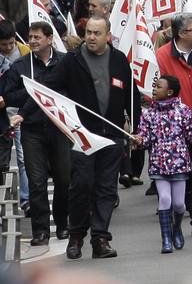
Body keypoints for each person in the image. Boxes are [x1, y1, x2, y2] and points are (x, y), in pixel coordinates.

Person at [49, 16, 133, 260]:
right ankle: (76, 235)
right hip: (83, 136)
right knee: (82, 185)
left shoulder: (119, 59)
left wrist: (136, 128)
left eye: (97, 33)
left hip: (112, 135)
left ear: (108, 35)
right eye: (89, 33)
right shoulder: (72, 60)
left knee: (107, 188)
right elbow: (50, 88)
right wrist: (24, 112)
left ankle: (100, 238)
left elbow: (131, 95)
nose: (92, 37)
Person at [2, 21, 68, 246]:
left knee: (63, 179)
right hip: (32, 130)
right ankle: (41, 231)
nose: (32, 41)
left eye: (37, 37)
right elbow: (9, 96)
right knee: (37, 181)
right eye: (30, 37)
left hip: (60, 129)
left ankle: (63, 224)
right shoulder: (20, 66)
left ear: (49, 39)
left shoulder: (64, 63)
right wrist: (34, 90)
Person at [153, 12, 192, 237]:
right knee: (177, 176)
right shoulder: (161, 56)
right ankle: (173, 218)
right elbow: (155, 93)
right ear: (180, 34)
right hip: (173, 131)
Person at [132, 74, 192, 254]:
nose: (154, 89)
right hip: (159, 163)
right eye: (154, 86)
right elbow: (146, 138)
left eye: (158, 86)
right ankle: (166, 239)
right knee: (164, 199)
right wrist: (139, 140)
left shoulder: (183, 110)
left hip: (179, 163)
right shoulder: (148, 114)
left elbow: (191, 134)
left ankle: (177, 228)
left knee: (179, 204)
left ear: (170, 91)